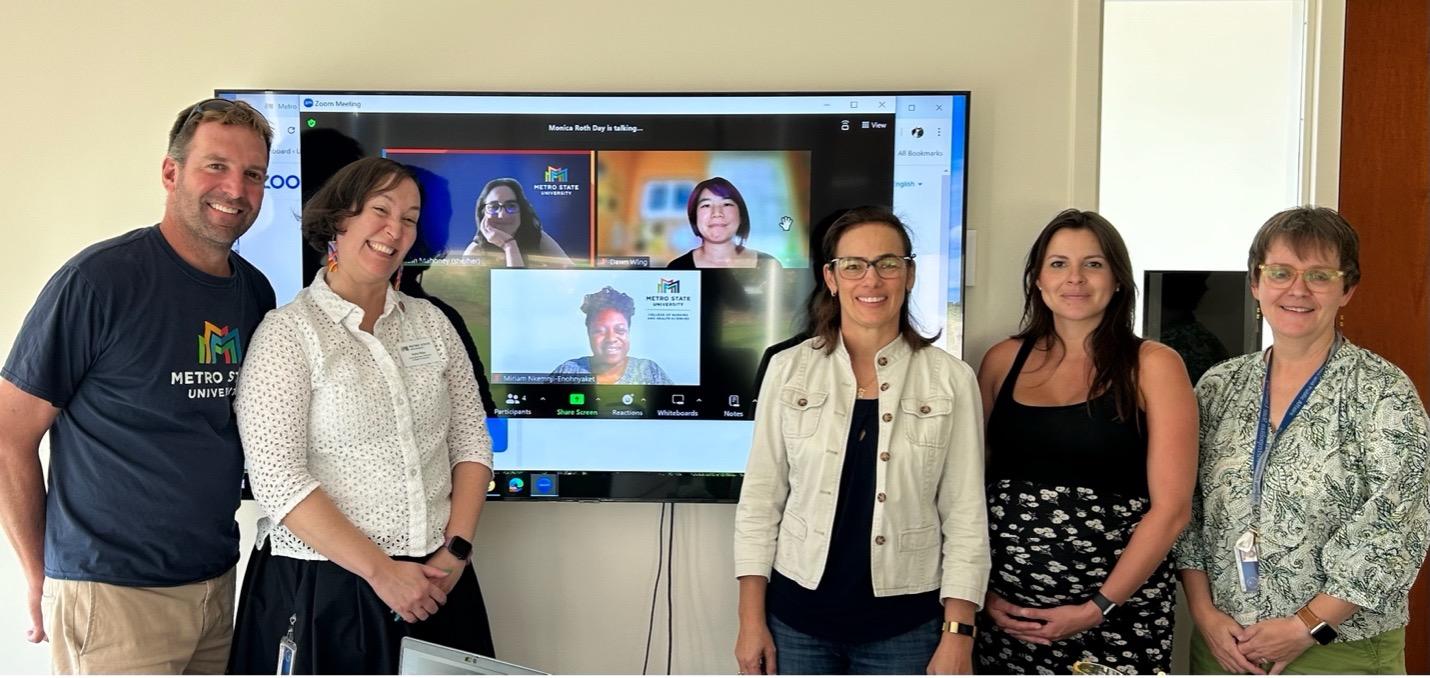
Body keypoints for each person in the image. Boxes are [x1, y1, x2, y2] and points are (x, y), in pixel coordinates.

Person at [0, 98, 275, 673]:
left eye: (253, 174)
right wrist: (39, 577)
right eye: (216, 166)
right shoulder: (99, 281)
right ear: (171, 172)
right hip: (113, 595)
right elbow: (8, 436)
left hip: (216, 583)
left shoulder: (254, 293)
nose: (236, 188)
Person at [228, 158, 496, 673]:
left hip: (439, 583)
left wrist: (455, 553)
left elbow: (470, 443)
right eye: (380, 210)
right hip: (324, 591)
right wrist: (383, 573)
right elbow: (278, 479)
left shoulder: (434, 324)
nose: (395, 230)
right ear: (339, 220)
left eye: (411, 218)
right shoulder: (289, 333)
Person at [1174, 206, 1430, 674]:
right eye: (1281, 272)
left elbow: (1399, 527)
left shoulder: (1382, 391)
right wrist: (1205, 617)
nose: (1297, 289)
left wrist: (1307, 625)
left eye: (1319, 275)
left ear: (1347, 289)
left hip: (1339, 650)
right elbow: (1186, 511)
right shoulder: (1217, 387)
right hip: (1226, 647)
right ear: (1256, 283)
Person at [733, 205, 988, 674]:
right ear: (831, 278)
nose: (871, 281)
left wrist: (958, 635)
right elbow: (760, 502)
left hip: (906, 630)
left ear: (908, 274)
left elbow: (966, 516)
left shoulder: (952, 380)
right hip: (796, 623)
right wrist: (751, 621)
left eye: (887, 264)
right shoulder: (788, 369)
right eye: (853, 266)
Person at [973, 209, 1197, 674]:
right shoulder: (1000, 361)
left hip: (1117, 618)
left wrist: (1097, 606)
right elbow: (967, 490)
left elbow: (1173, 509)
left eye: (1093, 264)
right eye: (1058, 264)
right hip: (1008, 620)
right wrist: (982, 592)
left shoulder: (1154, 365)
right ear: (1037, 279)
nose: (1074, 278)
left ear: (1117, 278)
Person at [549, 286, 673, 385]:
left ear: (628, 331)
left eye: (619, 330)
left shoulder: (649, 371)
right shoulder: (569, 371)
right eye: (600, 331)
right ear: (588, 333)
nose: (611, 339)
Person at [667, 177, 781, 270]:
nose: (717, 213)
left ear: (741, 215)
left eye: (726, 204)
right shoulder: (677, 268)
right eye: (706, 205)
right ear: (694, 217)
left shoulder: (769, 266)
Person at [462, 177, 572, 267]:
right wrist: (509, 245)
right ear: (483, 213)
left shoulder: (537, 237)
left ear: (522, 211)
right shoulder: (474, 252)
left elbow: (574, 277)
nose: (502, 215)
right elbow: (515, 289)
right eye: (494, 207)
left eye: (511, 206)